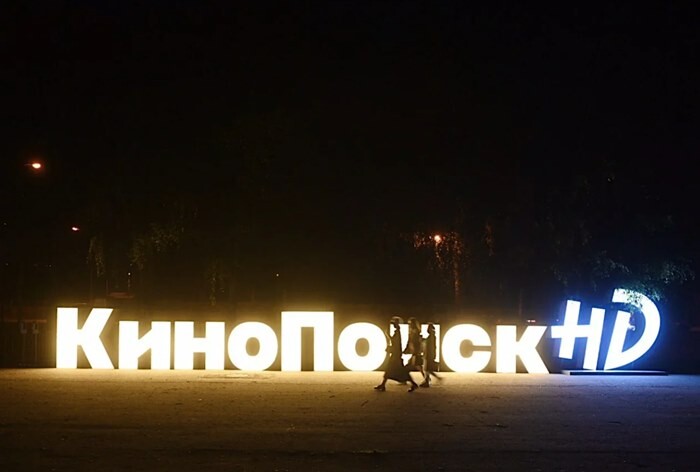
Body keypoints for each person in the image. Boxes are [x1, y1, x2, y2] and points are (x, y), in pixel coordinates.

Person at [374, 316, 419, 392]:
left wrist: (388, 335)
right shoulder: (398, 331)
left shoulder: (397, 332)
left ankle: (413, 384)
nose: (393, 325)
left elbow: (396, 343)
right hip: (396, 354)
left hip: (396, 355)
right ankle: (383, 385)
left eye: (394, 323)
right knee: (393, 370)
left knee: (394, 370)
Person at [420, 322, 441, 387]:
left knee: (427, 369)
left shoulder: (431, 337)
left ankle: (434, 379)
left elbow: (431, 346)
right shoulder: (432, 336)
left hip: (429, 354)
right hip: (428, 354)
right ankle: (427, 380)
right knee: (427, 368)